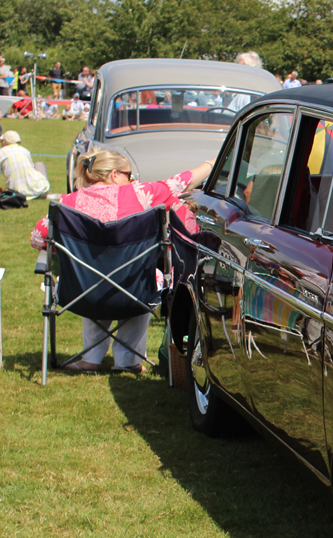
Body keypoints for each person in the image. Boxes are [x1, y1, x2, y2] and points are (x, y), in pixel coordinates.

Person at [29, 149, 214, 373]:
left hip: (80, 293)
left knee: (88, 272)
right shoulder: (142, 194)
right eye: (129, 175)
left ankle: (91, 358)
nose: (133, 180)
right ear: (115, 174)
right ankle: (128, 360)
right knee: (145, 277)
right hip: (134, 291)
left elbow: (38, 238)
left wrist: (71, 249)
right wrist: (210, 164)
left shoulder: (67, 203)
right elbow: (178, 183)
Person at [1, 130, 50, 198]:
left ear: (5, 142)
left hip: (16, 195)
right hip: (40, 191)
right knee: (39, 164)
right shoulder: (25, 150)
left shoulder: (1, 152)